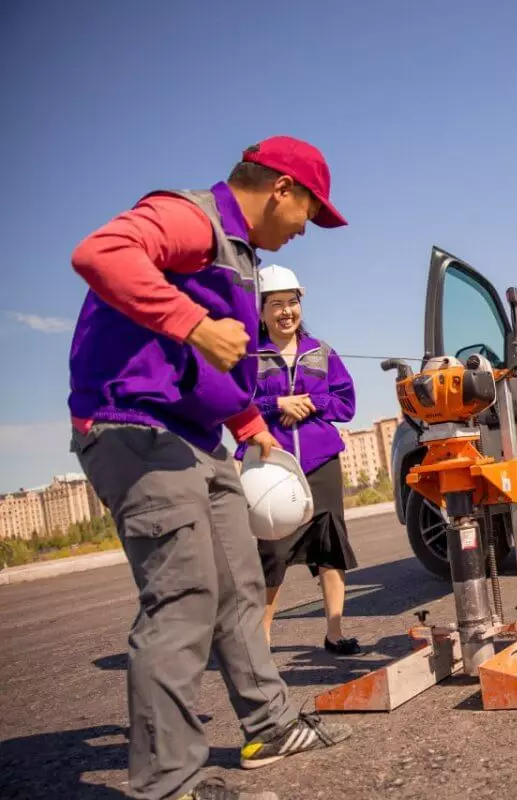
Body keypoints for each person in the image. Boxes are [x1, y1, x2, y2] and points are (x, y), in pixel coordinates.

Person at [67, 136, 353, 800]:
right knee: (184, 597)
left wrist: (251, 428)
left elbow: (204, 368)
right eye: (309, 209)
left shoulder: (241, 259)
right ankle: (169, 783)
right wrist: (195, 322)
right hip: (133, 429)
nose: (306, 226)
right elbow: (99, 253)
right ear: (281, 188)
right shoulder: (193, 217)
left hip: (198, 438)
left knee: (240, 584)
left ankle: (270, 725)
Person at [235, 264, 361, 656]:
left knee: (330, 545)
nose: (286, 311)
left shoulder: (321, 352)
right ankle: (262, 641)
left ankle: (335, 633)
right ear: (260, 311)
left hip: (321, 461)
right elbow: (234, 403)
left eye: (292, 302)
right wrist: (276, 404)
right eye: (276, 304)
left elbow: (346, 403)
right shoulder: (247, 355)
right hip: (269, 465)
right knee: (271, 552)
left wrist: (310, 403)